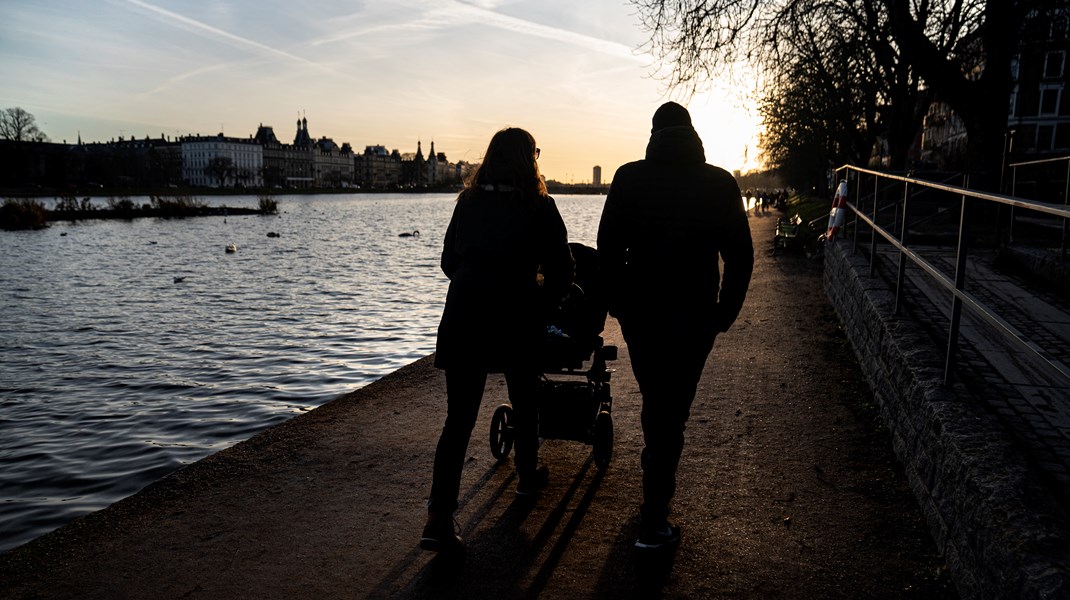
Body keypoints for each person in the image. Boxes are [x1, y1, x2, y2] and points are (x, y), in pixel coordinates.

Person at [597, 102, 754, 550]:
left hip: (643, 315)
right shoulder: (720, 183)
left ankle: (654, 506)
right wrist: (725, 312)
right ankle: (654, 517)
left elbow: (607, 250)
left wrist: (620, 305)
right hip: (696, 314)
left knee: (656, 403)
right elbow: (740, 255)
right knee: (672, 411)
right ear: (692, 134)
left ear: (653, 134)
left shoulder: (629, 178)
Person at [421, 127, 575, 553]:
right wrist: (540, 299)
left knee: (458, 421)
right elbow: (563, 273)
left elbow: (448, 261)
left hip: (465, 317)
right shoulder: (540, 207)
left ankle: (438, 516)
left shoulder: (467, 203)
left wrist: (477, 284)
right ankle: (526, 480)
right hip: (517, 318)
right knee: (525, 401)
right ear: (530, 160)